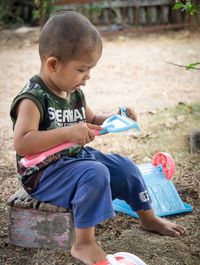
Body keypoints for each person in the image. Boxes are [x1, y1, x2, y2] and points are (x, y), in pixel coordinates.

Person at [10, 11, 185, 265]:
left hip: (75, 160)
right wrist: (68, 133)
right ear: (53, 64)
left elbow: (92, 120)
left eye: (90, 69)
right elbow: (22, 143)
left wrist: (116, 117)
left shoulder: (73, 91)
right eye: (82, 69)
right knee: (95, 173)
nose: (87, 77)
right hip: (44, 173)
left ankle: (148, 217)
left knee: (125, 167)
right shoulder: (33, 99)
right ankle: (84, 243)